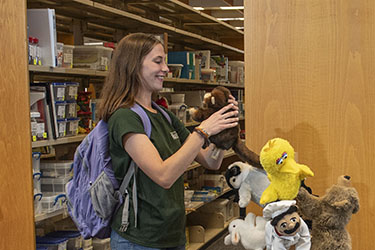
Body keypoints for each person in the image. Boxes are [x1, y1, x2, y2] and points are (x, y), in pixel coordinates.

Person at [98, 32, 239, 250]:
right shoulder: (125, 117)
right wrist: (202, 131)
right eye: (158, 61)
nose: (166, 68)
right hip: (139, 240)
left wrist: (225, 129)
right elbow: (163, 176)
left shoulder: (163, 115)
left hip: (172, 235)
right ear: (134, 66)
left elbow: (210, 162)